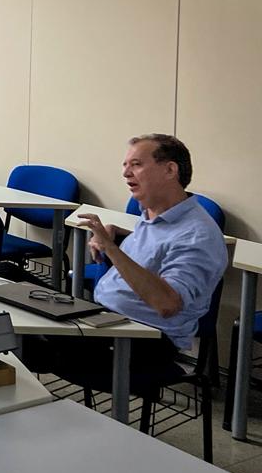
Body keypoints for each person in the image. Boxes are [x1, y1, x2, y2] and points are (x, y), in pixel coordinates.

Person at [21, 135, 227, 393]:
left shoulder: (198, 236)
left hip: (140, 340)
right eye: (125, 165)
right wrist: (114, 233)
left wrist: (110, 248)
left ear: (170, 170)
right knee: (5, 278)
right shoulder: (153, 212)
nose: (126, 173)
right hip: (103, 319)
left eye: (137, 164)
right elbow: (158, 250)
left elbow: (167, 304)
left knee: (14, 336)